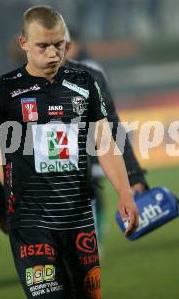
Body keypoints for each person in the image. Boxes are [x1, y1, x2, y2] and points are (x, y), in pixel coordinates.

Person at [0, 5, 139, 299]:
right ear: (23, 43)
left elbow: (105, 143)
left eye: (59, 45)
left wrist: (125, 193)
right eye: (43, 46)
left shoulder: (85, 83)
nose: (53, 54)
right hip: (30, 224)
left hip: (79, 220)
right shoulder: (0, 91)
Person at [64, 28, 148, 237]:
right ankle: (95, 231)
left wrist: (133, 173)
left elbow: (109, 120)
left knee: (91, 189)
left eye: (63, 45)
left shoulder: (89, 72)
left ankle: (95, 231)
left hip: (90, 144)